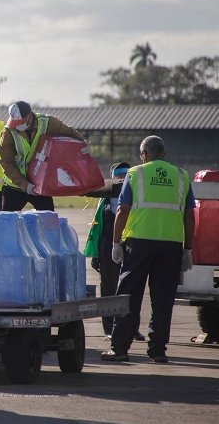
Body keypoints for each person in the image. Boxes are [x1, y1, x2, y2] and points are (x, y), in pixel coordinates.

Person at [101, 135, 195, 363]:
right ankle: (158, 350)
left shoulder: (135, 174)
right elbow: (190, 215)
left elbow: (122, 210)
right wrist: (188, 249)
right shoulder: (181, 176)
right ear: (163, 154)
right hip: (171, 245)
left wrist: (115, 243)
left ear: (143, 155)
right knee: (162, 299)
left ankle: (120, 347)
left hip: (139, 244)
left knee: (127, 296)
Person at [84, 162, 145, 341]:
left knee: (131, 288)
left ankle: (132, 328)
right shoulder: (103, 200)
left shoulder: (134, 196)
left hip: (130, 243)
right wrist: (96, 255)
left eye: (125, 175)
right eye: (119, 175)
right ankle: (109, 329)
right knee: (109, 288)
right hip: (108, 246)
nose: (121, 178)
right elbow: (96, 228)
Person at [0, 101, 87, 212]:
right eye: (14, 122)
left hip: (40, 184)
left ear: (29, 116)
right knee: (7, 222)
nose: (16, 125)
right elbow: (6, 162)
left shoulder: (46, 122)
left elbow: (68, 132)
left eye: (19, 121)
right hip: (15, 186)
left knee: (48, 220)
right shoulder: (8, 132)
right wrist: (24, 184)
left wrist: (82, 142)